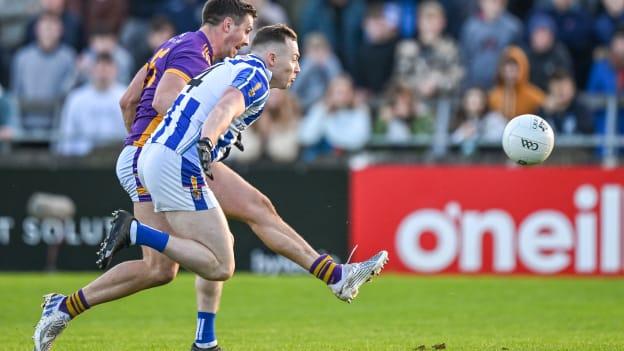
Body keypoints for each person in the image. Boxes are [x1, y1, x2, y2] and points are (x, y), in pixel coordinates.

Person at [108, 21, 386, 323]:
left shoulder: (234, 66)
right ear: (271, 58)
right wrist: (209, 139)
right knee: (218, 265)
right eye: (294, 59)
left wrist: (216, 138)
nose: (298, 68)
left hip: (163, 155)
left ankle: (333, 275)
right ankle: (136, 232)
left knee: (255, 211)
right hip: (179, 159)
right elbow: (225, 107)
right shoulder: (256, 74)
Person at [33, 1, 257, 350]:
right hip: (154, 159)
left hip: (139, 156)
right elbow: (165, 99)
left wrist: (135, 147)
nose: (245, 42)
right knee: (219, 250)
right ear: (227, 25)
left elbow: (128, 100)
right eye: (245, 31)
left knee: (160, 269)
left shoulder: (176, 43)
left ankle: (63, 306)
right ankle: (205, 340)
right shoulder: (196, 54)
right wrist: (192, 134)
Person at [55, 52, 127, 156]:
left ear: (115, 70)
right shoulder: (76, 98)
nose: (103, 73)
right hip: (81, 160)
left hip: (116, 158)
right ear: (92, 70)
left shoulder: (125, 96)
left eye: (107, 68)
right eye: (100, 69)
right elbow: (67, 134)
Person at [460, 0, 522, 88]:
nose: (495, 6)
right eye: (491, 2)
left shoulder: (513, 27)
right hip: (475, 85)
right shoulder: (470, 27)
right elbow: (465, 57)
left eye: (499, 2)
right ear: (481, 3)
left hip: (502, 85)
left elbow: (518, 59)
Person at [488, 46, 545, 119]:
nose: (510, 69)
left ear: (522, 67)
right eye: (507, 65)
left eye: (514, 65)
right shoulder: (493, 96)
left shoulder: (533, 95)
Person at [538, 70, 593, 135]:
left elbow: (588, 135)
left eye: (565, 84)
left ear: (573, 88)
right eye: (556, 85)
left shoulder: (582, 110)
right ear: (549, 88)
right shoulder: (543, 110)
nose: (561, 89)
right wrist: (546, 113)